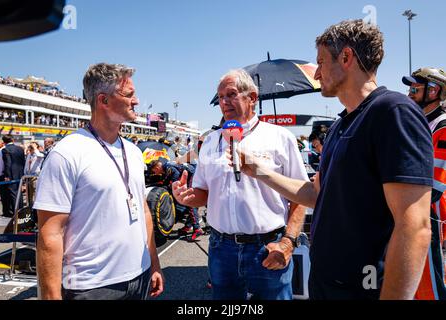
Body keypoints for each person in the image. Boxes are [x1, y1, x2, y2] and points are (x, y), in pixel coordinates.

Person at [227, 20, 433, 300]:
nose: (317, 73)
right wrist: (259, 171)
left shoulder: (393, 112)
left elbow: (414, 227)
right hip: (327, 283)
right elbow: (317, 193)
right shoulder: (340, 125)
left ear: (346, 58)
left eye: (321, 62)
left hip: (365, 289)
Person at [172, 69, 309, 300]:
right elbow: (203, 193)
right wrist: (185, 197)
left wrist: (288, 242)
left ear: (252, 98)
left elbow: (301, 195)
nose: (224, 102)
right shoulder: (210, 142)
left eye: (231, 94)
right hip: (220, 249)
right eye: (220, 97)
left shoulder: (279, 137)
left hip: (268, 247)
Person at [33, 63, 164, 300]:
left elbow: (143, 211)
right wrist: (51, 296)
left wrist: (154, 262)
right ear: (103, 100)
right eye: (129, 95)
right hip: (91, 287)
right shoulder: (67, 152)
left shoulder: (133, 152)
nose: (136, 101)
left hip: (140, 276)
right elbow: (50, 233)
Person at [402, 67, 446, 300]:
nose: (409, 94)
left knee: (430, 285)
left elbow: (436, 187)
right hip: (412, 213)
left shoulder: (443, 126)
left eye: (414, 89)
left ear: (433, 91)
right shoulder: (420, 123)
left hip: (429, 216)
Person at [149, 159, 203, 241]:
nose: (155, 173)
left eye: (154, 171)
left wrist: (171, 186)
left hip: (192, 175)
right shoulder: (166, 165)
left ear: (156, 167)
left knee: (189, 201)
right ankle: (188, 226)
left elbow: (176, 175)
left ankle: (197, 228)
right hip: (192, 173)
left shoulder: (168, 167)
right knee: (187, 202)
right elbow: (167, 181)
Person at [1, 135, 25, 217]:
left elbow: (8, 163)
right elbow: (23, 162)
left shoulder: (5, 150)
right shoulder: (20, 149)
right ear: (13, 140)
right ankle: (21, 211)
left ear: (4, 142)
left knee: (13, 193)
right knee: (19, 193)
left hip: (11, 174)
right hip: (20, 173)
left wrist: (7, 175)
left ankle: (16, 214)